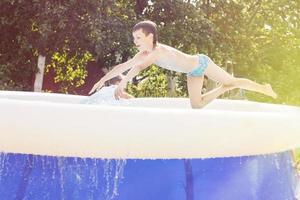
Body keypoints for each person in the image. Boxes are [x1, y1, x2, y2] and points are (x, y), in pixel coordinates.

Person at [89, 20, 277, 108]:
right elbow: (122, 66)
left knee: (234, 80)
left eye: (138, 37)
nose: (135, 41)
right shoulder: (143, 53)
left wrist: (123, 82)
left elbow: (137, 68)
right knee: (197, 105)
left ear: (150, 36)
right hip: (193, 73)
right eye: (134, 37)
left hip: (202, 63)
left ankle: (264, 88)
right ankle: (222, 89)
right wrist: (102, 80)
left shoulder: (158, 51)